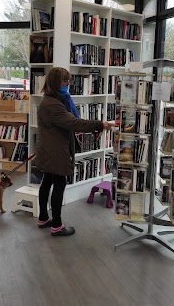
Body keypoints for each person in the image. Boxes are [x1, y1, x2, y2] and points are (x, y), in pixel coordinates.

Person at [35, 67, 114, 236]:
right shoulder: (53, 105)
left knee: (47, 181)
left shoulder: (50, 100)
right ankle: (56, 225)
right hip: (55, 152)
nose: (68, 84)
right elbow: (74, 123)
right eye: (65, 81)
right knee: (59, 184)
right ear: (57, 82)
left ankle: (43, 218)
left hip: (49, 150)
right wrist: (100, 124)